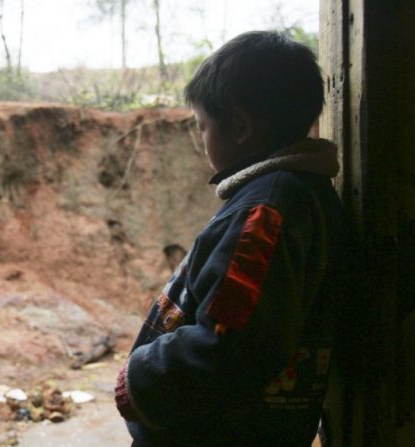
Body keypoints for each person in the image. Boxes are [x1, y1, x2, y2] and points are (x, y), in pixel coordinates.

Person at [114, 31, 346, 446]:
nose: (203, 140)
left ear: (240, 125)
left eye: (203, 127)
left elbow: (231, 343)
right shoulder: (297, 196)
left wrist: (141, 378)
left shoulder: (266, 209)